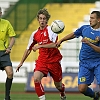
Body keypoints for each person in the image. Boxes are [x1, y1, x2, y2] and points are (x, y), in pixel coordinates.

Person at [16, 8, 66, 100]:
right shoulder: (34, 34)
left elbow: (55, 45)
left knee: (58, 86)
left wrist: (40, 46)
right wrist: (21, 62)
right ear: (38, 19)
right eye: (40, 18)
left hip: (54, 61)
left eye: (44, 18)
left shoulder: (52, 30)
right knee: (36, 79)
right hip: (42, 61)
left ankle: (62, 92)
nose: (42, 20)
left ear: (47, 20)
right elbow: (28, 49)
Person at [57, 11, 100, 100]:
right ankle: (95, 96)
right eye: (90, 18)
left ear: (98, 20)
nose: (90, 20)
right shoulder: (84, 29)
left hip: (98, 63)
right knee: (82, 88)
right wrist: (61, 40)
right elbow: (73, 34)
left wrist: (89, 43)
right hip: (85, 63)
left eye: (92, 18)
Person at [0, 7, 16, 100]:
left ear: (0, 13)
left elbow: (12, 37)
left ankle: (7, 97)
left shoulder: (6, 23)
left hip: (4, 53)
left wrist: (9, 47)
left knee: (10, 73)